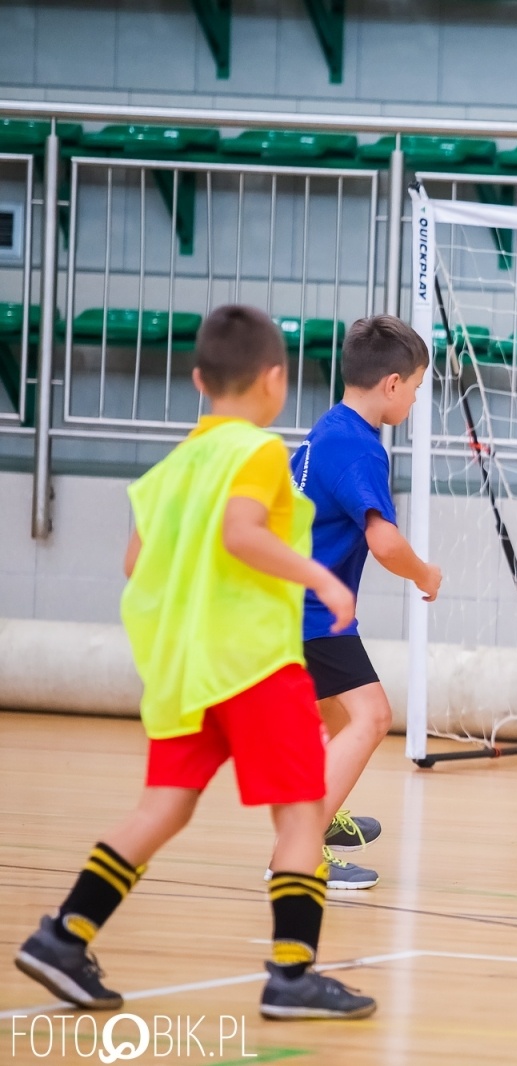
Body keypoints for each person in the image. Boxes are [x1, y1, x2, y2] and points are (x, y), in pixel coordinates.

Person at [14, 305, 376, 1018]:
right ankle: (292, 975)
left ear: (198, 379)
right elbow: (243, 533)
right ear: (275, 380)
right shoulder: (259, 453)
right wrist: (318, 576)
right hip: (253, 665)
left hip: (186, 673)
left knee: (163, 808)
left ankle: (63, 936)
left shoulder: (174, 465)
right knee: (302, 816)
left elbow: (134, 563)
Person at [290, 315, 441, 890]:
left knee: (333, 724)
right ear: (394, 385)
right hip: (312, 611)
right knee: (372, 716)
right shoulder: (359, 450)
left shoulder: (327, 429)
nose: (416, 399)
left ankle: (320, 824)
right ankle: (301, 851)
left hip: (287, 604)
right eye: (419, 387)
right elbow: (384, 542)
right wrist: (425, 574)